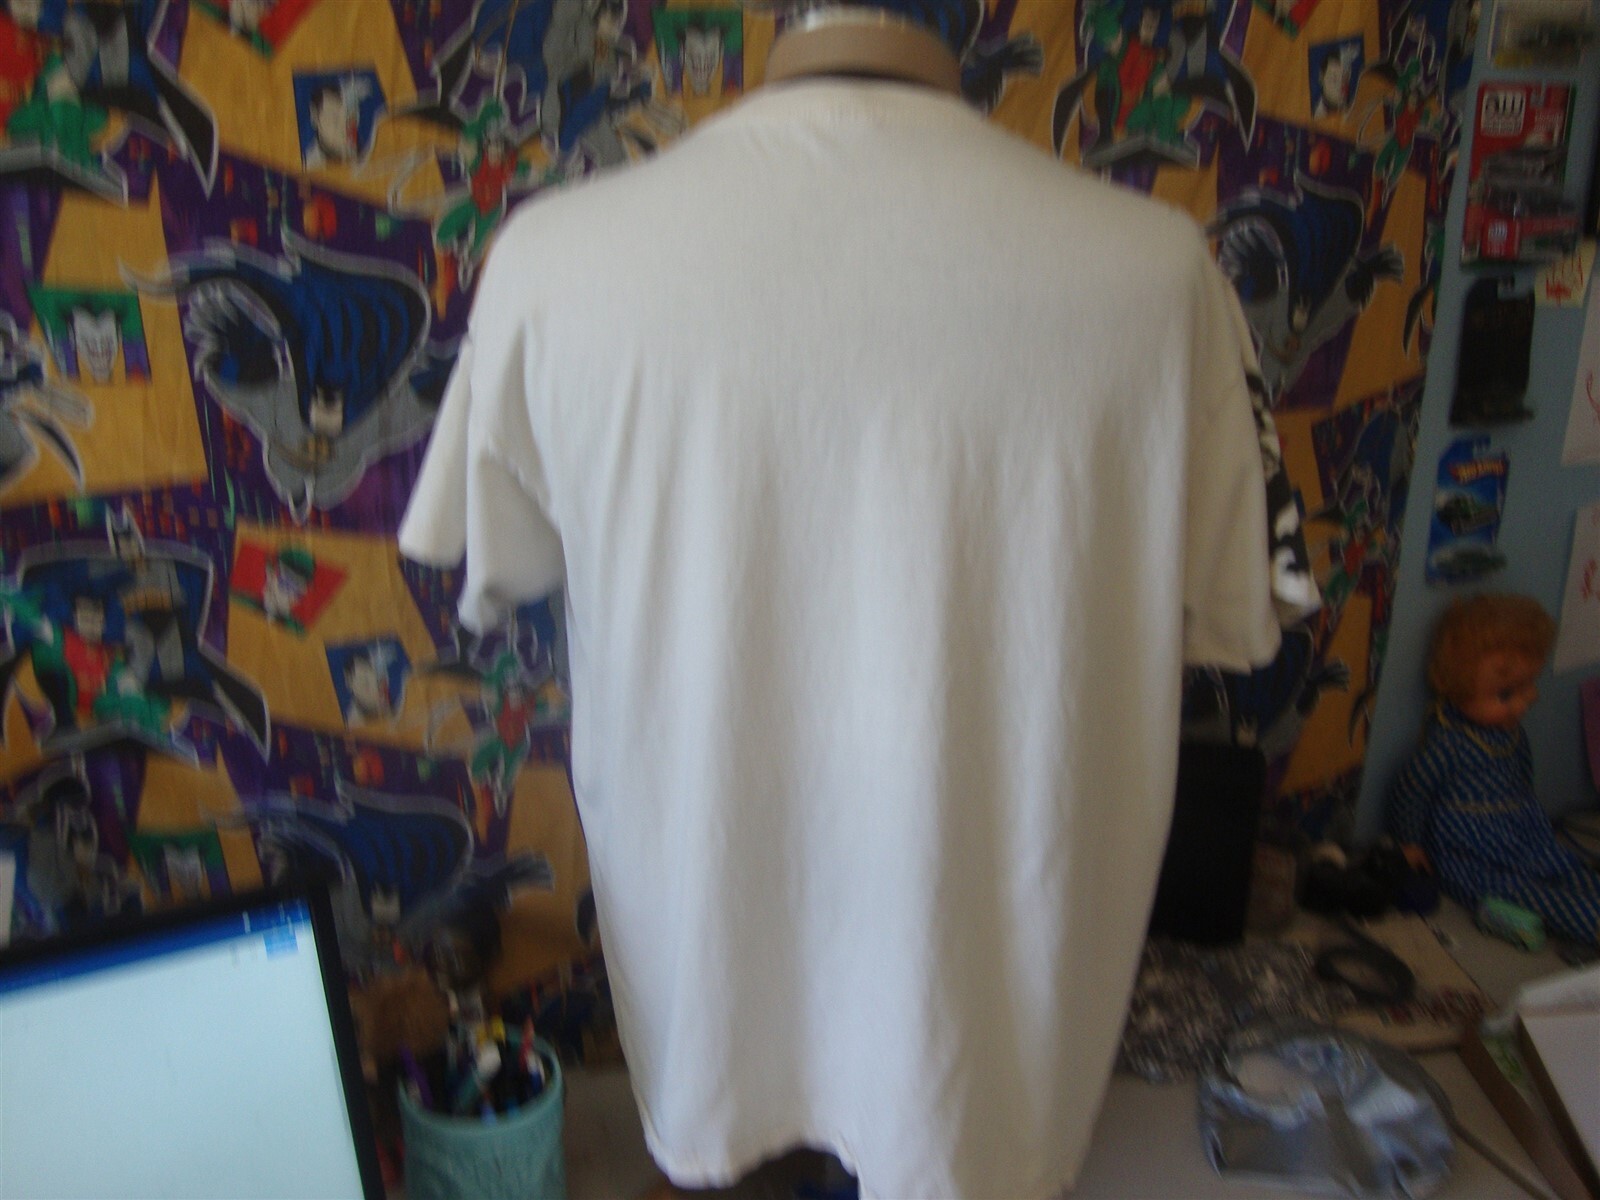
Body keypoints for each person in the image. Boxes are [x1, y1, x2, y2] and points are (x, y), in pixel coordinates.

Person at [400, 1, 1281, 1195]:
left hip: (726, 993)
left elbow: (499, 562)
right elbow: (1226, 609)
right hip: (995, 1033)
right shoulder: (1156, 268)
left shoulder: (555, 259)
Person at [1388, 594, 1600, 948]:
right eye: (1505, 695)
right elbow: (1412, 790)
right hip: (1470, 850)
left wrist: (1533, 820)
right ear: (1457, 687)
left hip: (1522, 835)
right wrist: (1409, 843)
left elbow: (1523, 778)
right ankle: (1590, 921)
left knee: (1569, 869)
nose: (1524, 702)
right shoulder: (1448, 744)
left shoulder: (1513, 735)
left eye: (1528, 686)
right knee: (1528, 895)